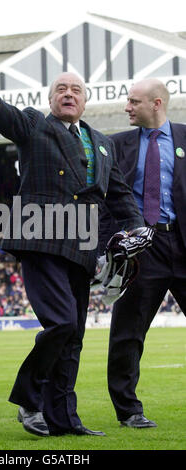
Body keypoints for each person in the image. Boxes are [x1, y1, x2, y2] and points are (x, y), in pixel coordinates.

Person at [0, 31, 145, 438]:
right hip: (39, 237)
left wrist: (139, 230)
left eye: (75, 90)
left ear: (85, 101)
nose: (68, 94)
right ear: (51, 98)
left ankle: (64, 418)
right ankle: (29, 401)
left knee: (73, 337)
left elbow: (121, 197)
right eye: (61, 89)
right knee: (60, 324)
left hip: (83, 247)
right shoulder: (34, 125)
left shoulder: (102, 144)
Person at [100, 78, 186, 428]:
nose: (127, 107)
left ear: (157, 103)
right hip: (139, 248)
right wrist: (110, 247)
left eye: (134, 101)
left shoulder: (184, 137)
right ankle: (129, 411)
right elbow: (102, 200)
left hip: (181, 244)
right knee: (127, 333)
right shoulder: (115, 145)